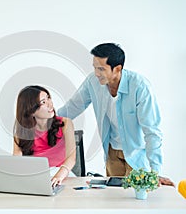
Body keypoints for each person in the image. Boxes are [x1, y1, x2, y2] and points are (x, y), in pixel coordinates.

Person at [58, 43, 174, 186]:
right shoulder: (92, 82)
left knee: (136, 200)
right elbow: (72, 107)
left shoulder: (140, 87)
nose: (96, 73)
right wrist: (44, 122)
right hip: (112, 152)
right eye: (94, 68)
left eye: (101, 69)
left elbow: (152, 132)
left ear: (117, 69)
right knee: (114, 199)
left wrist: (155, 172)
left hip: (136, 153)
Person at [13, 85, 76, 186]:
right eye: (43, 102)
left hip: (61, 174)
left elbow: (71, 158)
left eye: (48, 98)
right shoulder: (22, 132)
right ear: (31, 111)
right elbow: (17, 161)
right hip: (35, 177)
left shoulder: (66, 124)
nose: (50, 104)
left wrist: (59, 176)